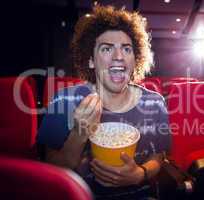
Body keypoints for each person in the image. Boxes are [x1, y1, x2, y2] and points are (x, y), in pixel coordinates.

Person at [37, 5, 171, 200]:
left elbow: (158, 157)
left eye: (127, 49)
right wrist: (79, 133)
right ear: (91, 60)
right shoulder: (63, 101)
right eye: (107, 48)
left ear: (135, 60)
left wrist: (139, 174)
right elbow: (51, 170)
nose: (118, 56)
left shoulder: (156, 103)